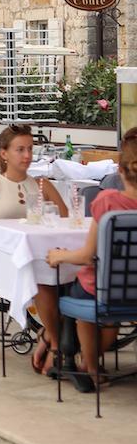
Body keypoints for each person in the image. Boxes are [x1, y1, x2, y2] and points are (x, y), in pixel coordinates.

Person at [0, 123, 67, 374]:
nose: (27, 155)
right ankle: (57, 346)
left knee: (75, 278)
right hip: (7, 260)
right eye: (20, 149)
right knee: (42, 281)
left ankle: (49, 336)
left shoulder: (42, 184)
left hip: (45, 258)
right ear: (4, 153)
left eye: (30, 149)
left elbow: (65, 220)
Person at [46, 125, 137, 390]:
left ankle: (90, 365)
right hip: (131, 288)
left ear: (120, 171)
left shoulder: (108, 201)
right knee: (108, 301)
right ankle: (89, 360)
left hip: (106, 292)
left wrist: (60, 256)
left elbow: (87, 255)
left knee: (82, 285)